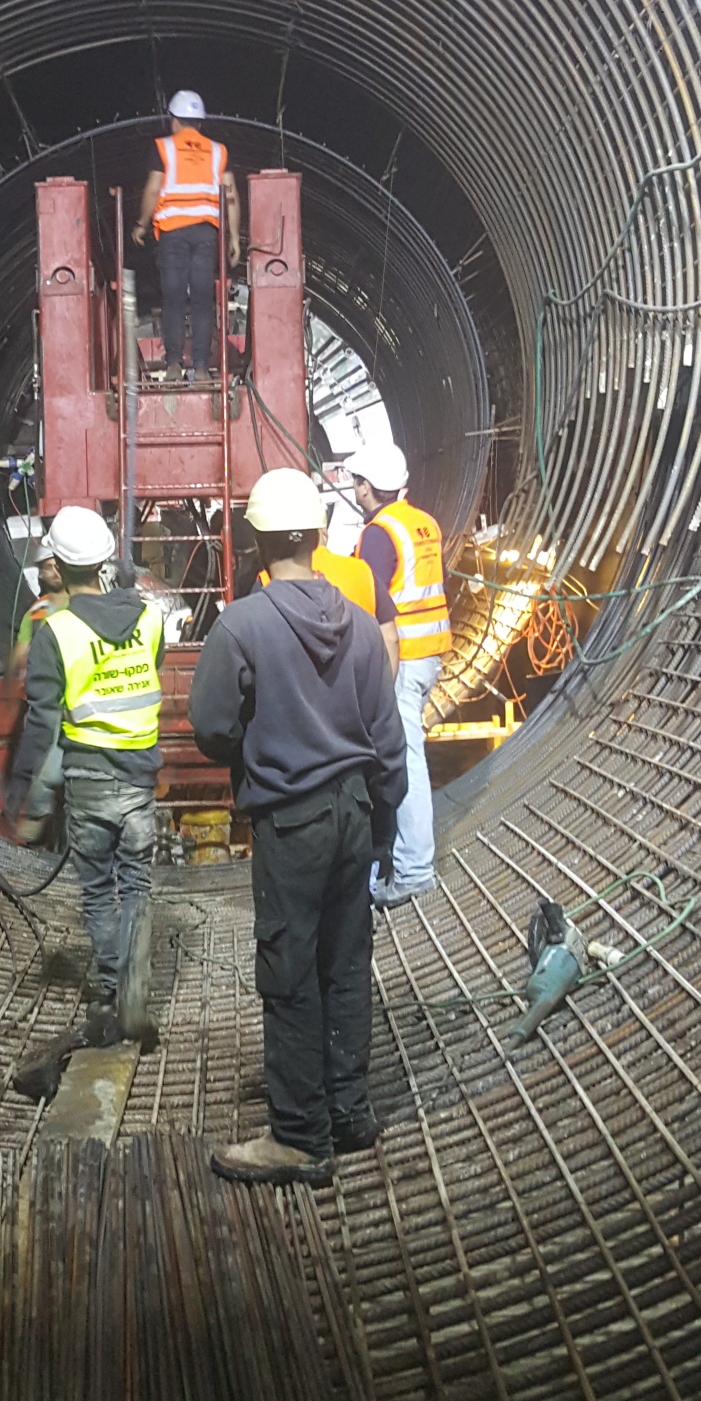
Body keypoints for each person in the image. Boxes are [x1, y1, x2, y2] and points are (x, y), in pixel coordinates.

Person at [189, 469, 406, 1185]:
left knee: (289, 975)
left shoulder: (241, 625)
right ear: (318, 537)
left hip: (291, 823)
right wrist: (383, 828)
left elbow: (212, 727)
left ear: (255, 540)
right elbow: (388, 737)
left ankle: (300, 1137)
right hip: (354, 814)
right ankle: (349, 1113)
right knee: (343, 966)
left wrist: (260, 746)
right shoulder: (361, 623)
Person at [6, 505, 163, 1039]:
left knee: (98, 891)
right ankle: (136, 993)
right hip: (140, 778)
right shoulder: (150, 619)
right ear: (105, 562)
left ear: (57, 567)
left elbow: (45, 726)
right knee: (137, 884)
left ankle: (111, 987)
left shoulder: (55, 634)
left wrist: (35, 795)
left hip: (89, 781)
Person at [348, 437, 451, 907]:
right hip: (431, 654)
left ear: (368, 487)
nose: (354, 488)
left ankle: (413, 869)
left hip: (403, 658)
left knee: (405, 756)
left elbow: (371, 602)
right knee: (405, 751)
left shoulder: (376, 533)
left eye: (356, 482)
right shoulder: (423, 522)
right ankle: (396, 855)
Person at [130, 90, 242, 384]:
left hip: (172, 234)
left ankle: (173, 365)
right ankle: (202, 367)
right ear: (200, 123)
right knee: (203, 299)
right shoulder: (219, 152)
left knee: (174, 298)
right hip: (206, 233)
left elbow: (153, 190)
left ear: (174, 121)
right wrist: (234, 239)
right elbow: (230, 196)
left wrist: (141, 224)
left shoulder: (164, 148)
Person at [252, 480, 400, 671]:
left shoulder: (266, 580)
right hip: (357, 686)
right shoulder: (363, 572)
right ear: (322, 532)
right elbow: (390, 638)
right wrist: (383, 693)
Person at [9, 545, 65, 679]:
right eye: (49, 567)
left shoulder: (82, 604)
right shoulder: (35, 613)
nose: (55, 572)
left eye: (58, 566)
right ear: (41, 573)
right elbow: (19, 652)